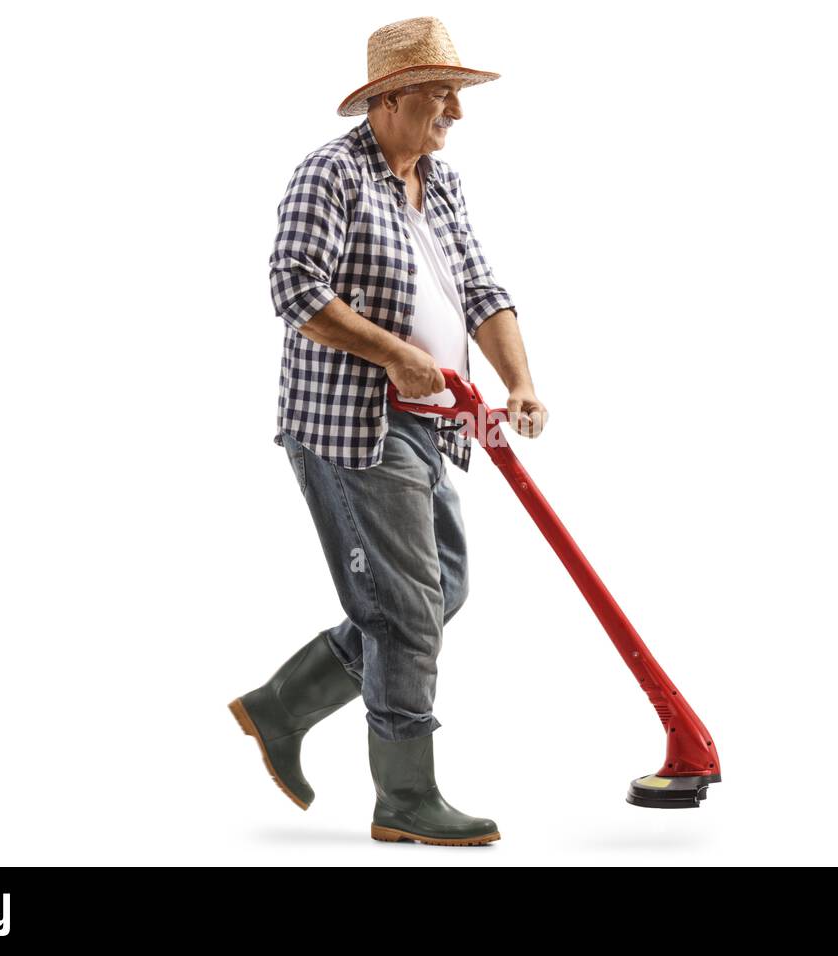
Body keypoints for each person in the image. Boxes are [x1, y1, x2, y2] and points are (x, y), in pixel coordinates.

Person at [229, 16, 547, 847]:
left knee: (442, 589)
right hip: (351, 426)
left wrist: (518, 381)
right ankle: (404, 796)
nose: (455, 112)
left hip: (431, 423)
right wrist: (396, 355)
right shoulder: (329, 175)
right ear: (391, 98)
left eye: (455, 95)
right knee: (407, 611)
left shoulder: (438, 182)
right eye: (442, 95)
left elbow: (480, 286)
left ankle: (282, 706)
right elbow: (295, 290)